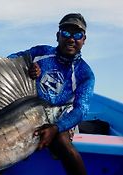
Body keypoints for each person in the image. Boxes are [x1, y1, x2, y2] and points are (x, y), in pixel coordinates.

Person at [7, 13, 95, 175]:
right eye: (66, 33)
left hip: (60, 120)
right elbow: (8, 61)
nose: (71, 39)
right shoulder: (41, 52)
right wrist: (25, 67)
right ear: (58, 36)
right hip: (26, 114)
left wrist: (56, 128)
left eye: (77, 35)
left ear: (84, 39)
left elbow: (81, 110)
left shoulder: (85, 73)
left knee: (61, 141)